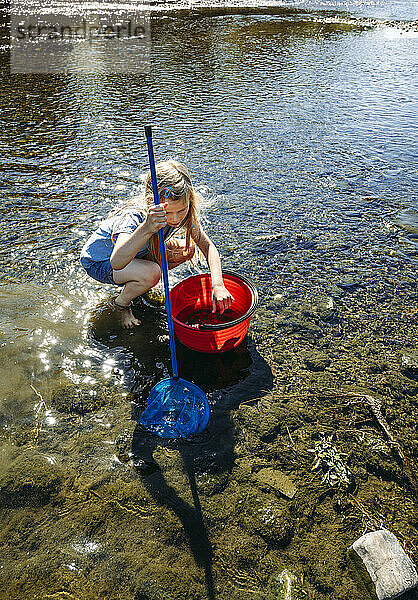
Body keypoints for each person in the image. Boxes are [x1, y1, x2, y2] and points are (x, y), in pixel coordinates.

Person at [80, 159, 234, 328]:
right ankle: (122, 303)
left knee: (187, 250)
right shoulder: (135, 217)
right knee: (153, 273)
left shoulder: (186, 213)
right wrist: (147, 227)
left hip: (134, 255)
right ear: (151, 203)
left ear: (189, 201)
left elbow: (208, 247)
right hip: (100, 262)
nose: (175, 219)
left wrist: (218, 284)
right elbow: (116, 263)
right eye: (168, 212)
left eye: (181, 211)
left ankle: (139, 282)